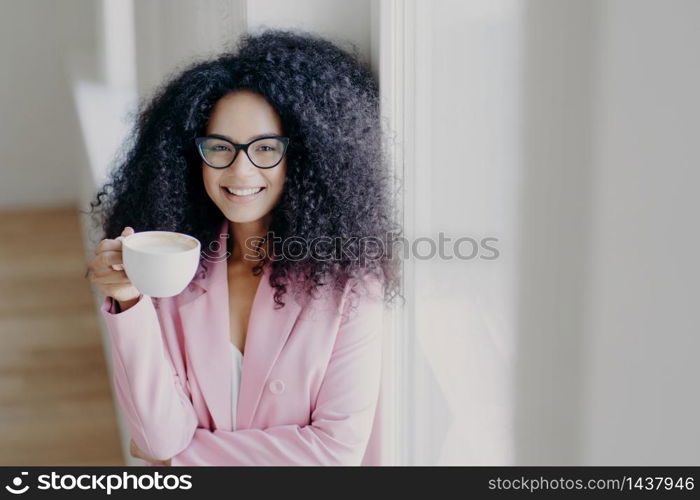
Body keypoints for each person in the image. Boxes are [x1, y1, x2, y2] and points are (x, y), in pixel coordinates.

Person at [85, 28, 402, 465]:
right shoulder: (172, 270)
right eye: (220, 147)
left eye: (266, 148)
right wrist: (128, 301)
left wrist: (182, 461)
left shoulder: (349, 284)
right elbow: (159, 438)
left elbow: (333, 454)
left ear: (305, 157)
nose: (240, 170)